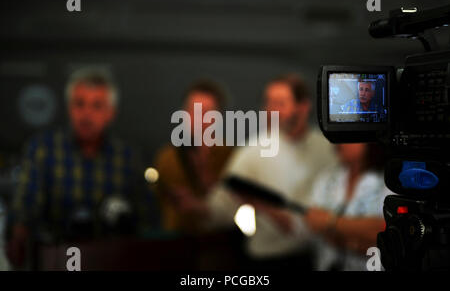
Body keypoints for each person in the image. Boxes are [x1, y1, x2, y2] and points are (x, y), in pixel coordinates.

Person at [7, 68, 157, 268]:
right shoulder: (43, 150)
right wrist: (19, 230)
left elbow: (147, 217)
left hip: (112, 263)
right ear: (69, 108)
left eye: (96, 106)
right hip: (55, 261)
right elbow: (25, 204)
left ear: (110, 113)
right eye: (80, 104)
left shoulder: (127, 158)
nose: (87, 113)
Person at [205, 73, 337, 270]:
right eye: (268, 103)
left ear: (303, 106)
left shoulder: (328, 148)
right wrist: (199, 208)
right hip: (268, 259)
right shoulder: (253, 151)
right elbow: (221, 203)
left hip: (316, 257)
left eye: (280, 103)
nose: (270, 110)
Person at [153, 79, 233, 233]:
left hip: (219, 240)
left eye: (205, 113)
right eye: (191, 110)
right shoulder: (167, 157)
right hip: (177, 240)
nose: (197, 119)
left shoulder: (230, 156)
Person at [303, 143, 390, 270]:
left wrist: (330, 222)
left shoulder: (390, 182)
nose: (340, 142)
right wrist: (358, 236)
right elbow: (311, 222)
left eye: (350, 135)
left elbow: (385, 233)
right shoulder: (326, 178)